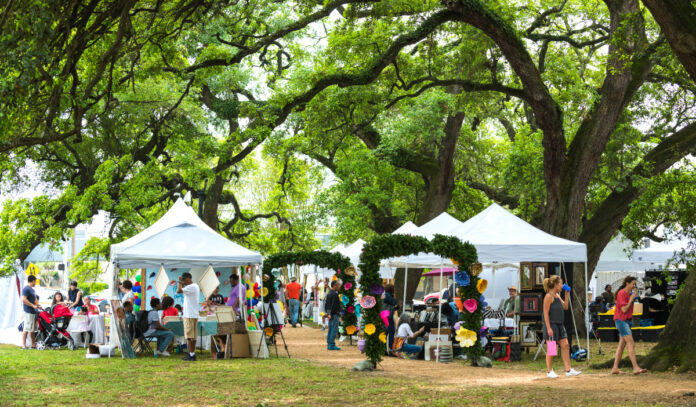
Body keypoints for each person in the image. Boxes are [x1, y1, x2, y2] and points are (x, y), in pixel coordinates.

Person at [542, 275, 581, 378]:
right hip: (551, 324)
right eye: (560, 283)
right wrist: (549, 328)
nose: (562, 285)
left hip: (560, 324)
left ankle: (568, 370)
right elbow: (545, 314)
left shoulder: (557, 295)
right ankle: (549, 371)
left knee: (566, 345)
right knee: (552, 348)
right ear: (555, 285)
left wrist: (566, 294)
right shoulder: (548, 296)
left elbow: (566, 307)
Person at [611, 276, 647, 375]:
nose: (634, 286)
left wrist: (632, 297)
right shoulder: (622, 293)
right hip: (621, 321)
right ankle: (635, 368)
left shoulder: (628, 294)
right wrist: (631, 299)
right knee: (631, 343)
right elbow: (624, 309)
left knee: (622, 345)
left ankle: (615, 368)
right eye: (633, 284)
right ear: (627, 283)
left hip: (626, 321)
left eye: (635, 284)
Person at [177, 272, 200, 361]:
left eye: (184, 280)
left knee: (189, 336)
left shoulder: (190, 287)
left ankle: (191, 355)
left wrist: (179, 281)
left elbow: (178, 291)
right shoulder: (195, 286)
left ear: (187, 279)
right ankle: (192, 353)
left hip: (189, 314)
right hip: (193, 314)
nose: (183, 282)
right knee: (193, 337)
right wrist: (182, 282)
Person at [21, 275, 39, 349]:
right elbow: (23, 299)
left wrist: (38, 305)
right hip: (28, 312)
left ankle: (33, 344)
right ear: (33, 281)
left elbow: (35, 301)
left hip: (33, 312)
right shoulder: (26, 289)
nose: (35, 283)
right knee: (26, 329)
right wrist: (32, 305)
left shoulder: (32, 290)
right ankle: (23, 345)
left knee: (32, 329)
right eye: (35, 281)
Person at [324, 280, 342, 350]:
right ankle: (331, 344)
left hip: (330, 314)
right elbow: (333, 305)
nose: (339, 287)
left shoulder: (329, 293)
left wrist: (327, 313)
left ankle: (329, 344)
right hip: (334, 314)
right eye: (338, 285)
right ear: (334, 286)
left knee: (330, 329)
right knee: (334, 329)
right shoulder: (334, 294)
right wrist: (330, 314)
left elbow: (327, 304)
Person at [383, 284, 398, 352]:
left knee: (386, 333)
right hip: (388, 318)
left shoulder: (385, 295)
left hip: (386, 317)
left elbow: (391, 307)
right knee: (390, 333)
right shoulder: (387, 295)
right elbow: (393, 302)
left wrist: (397, 307)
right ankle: (390, 348)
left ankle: (385, 348)